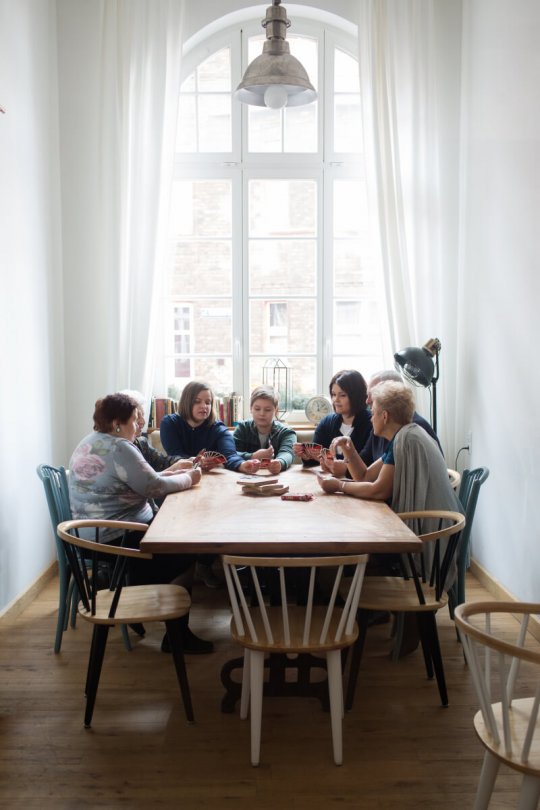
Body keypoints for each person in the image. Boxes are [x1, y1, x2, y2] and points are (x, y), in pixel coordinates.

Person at [68, 392, 213, 654]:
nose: (138, 425)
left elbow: (139, 479)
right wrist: (190, 478)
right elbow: (153, 487)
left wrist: (173, 472)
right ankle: (174, 632)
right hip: (118, 541)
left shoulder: (93, 442)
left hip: (90, 538)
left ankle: (148, 601)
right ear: (117, 423)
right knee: (187, 549)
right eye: (135, 420)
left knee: (180, 534)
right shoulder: (119, 447)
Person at [160, 381, 260, 588]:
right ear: (187, 402)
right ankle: (185, 567)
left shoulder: (217, 427)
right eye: (197, 401)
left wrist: (243, 465)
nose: (204, 406)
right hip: (182, 480)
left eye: (208, 402)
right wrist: (195, 462)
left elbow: (229, 455)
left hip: (211, 487)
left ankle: (204, 564)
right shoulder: (170, 422)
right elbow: (174, 454)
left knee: (220, 514)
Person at [293, 369, 372, 475]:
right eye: (333, 394)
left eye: (342, 395)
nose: (335, 400)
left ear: (356, 396)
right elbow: (316, 461)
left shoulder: (371, 423)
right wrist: (307, 456)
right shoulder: (326, 422)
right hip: (329, 481)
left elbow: (367, 463)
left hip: (359, 483)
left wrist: (343, 469)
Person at [359, 370, 443, 466]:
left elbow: (382, 480)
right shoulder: (382, 424)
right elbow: (365, 468)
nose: (367, 401)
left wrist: (343, 481)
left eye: (373, 394)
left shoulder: (410, 431)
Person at [233, 386, 296, 474]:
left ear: (276, 410)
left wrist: (280, 463)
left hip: (275, 478)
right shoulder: (242, 428)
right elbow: (231, 453)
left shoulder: (286, 432)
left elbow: (288, 453)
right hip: (246, 477)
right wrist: (252, 456)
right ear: (251, 409)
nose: (262, 413)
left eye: (267, 410)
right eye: (257, 409)